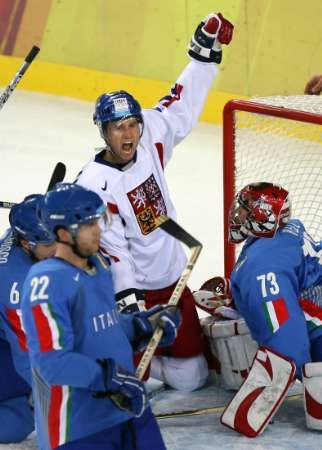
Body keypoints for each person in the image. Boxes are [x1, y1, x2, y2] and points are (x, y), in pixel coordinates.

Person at [75, 11, 234, 391]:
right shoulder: (96, 184)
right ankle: (123, 356)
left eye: (132, 124)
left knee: (194, 378)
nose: (129, 134)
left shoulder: (149, 139)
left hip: (174, 279)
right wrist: (131, 305)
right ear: (104, 131)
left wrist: (204, 51)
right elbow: (112, 252)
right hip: (140, 292)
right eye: (119, 128)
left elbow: (180, 104)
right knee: (129, 376)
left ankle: (154, 363)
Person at [21, 183, 181, 450]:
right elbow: (51, 362)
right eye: (87, 225)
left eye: (98, 221)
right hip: (79, 428)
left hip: (127, 407)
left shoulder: (98, 265)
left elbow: (102, 325)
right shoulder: (46, 283)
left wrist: (142, 326)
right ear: (62, 233)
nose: (98, 230)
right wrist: (109, 378)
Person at [216, 182, 322, 437]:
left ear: (262, 216)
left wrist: (290, 367)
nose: (236, 216)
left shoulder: (263, 265)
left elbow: (284, 336)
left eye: (243, 211)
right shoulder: (285, 232)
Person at [0, 194, 57, 444]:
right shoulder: (18, 285)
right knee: (18, 423)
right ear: (25, 244)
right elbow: (27, 353)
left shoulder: (21, 233)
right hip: (9, 345)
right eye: (47, 243)